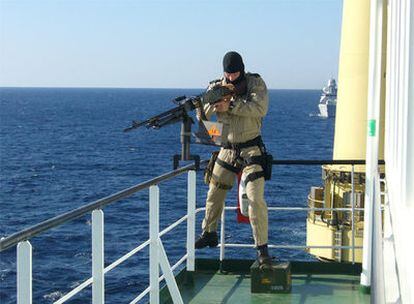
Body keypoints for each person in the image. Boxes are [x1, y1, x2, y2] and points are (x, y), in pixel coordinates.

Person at [195, 51, 271, 268]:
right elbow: (204, 119)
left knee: (255, 199)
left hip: (251, 150)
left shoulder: (255, 83)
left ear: (242, 69)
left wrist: (232, 105)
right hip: (226, 149)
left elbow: (260, 108)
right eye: (228, 74)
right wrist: (209, 104)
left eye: (235, 73)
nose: (231, 77)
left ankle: (262, 249)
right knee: (214, 192)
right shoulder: (216, 86)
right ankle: (209, 232)